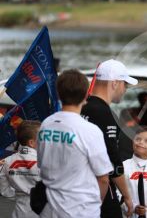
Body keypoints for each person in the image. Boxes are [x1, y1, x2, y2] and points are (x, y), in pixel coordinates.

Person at [37, 69, 113, 218]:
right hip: (81, 210)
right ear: (86, 96)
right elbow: (103, 178)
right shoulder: (90, 130)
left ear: (58, 94)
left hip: (49, 208)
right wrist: (96, 204)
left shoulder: (46, 123)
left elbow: (41, 164)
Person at [81, 59, 137, 218]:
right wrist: (126, 195)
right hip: (97, 188)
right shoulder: (105, 115)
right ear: (115, 83)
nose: (125, 90)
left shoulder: (81, 106)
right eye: (125, 84)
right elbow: (112, 160)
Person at [0, 120, 41, 218]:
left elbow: (5, 190)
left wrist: (19, 194)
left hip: (19, 212)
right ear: (31, 142)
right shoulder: (45, 162)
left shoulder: (6, 161)